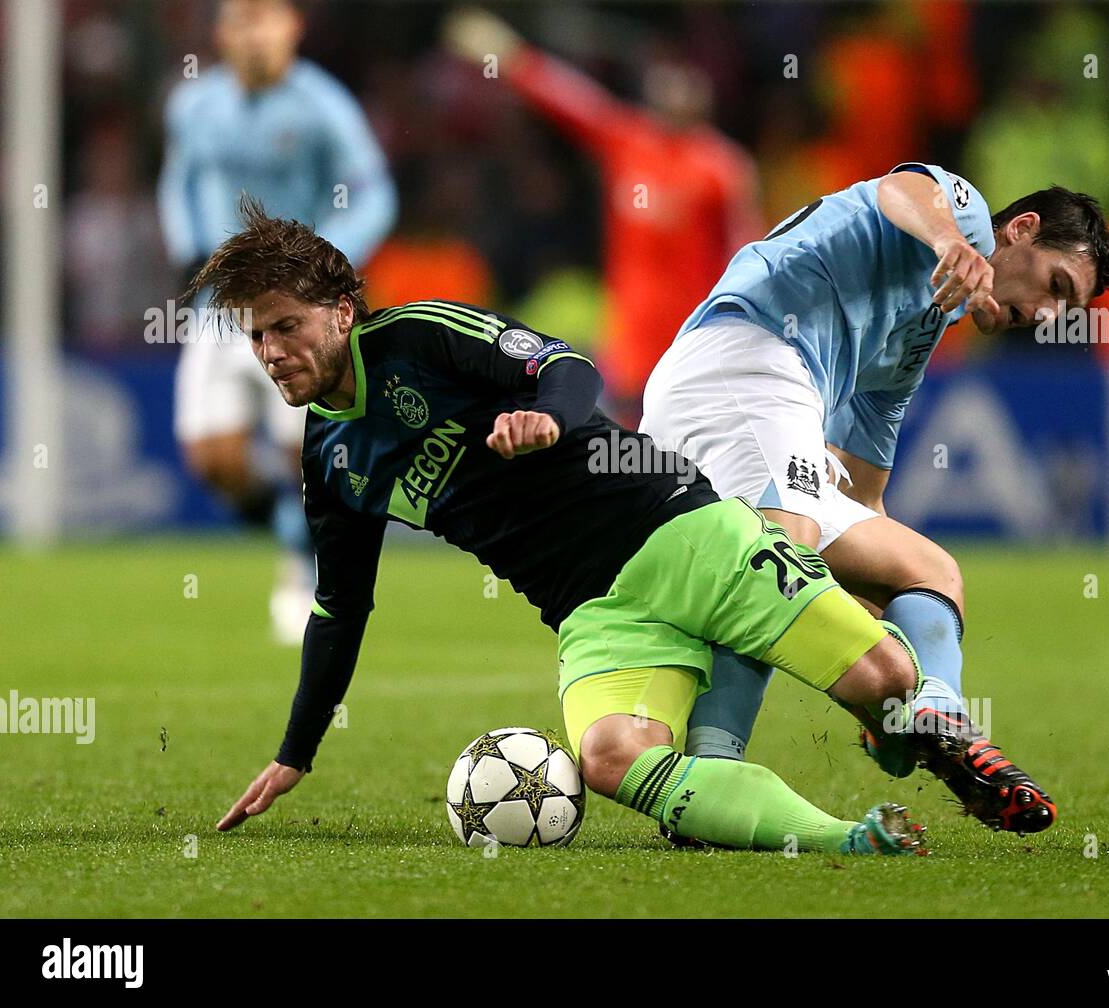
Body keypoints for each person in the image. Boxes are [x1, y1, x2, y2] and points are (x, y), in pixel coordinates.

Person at [197, 199, 952, 855]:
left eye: (285, 327)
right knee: (610, 759)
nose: (271, 353)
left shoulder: (417, 337)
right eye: (257, 337)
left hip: (674, 529)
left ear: (339, 310)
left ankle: (902, 720)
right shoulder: (329, 459)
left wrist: (546, 418)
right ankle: (849, 838)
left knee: (886, 687)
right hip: (591, 610)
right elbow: (341, 608)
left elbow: (568, 368)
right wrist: (297, 752)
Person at [642, 163, 1109, 834]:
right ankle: (715, 770)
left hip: (744, 395)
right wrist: (951, 238)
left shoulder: (912, 334)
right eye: (1054, 286)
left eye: (1063, 311)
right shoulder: (964, 220)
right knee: (783, 554)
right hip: (744, 361)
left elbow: (864, 500)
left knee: (924, 570)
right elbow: (901, 186)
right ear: (1022, 230)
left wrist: (884, 674)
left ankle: (931, 707)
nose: (1044, 315)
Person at [157, 0, 397, 643]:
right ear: (222, 35)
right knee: (214, 461)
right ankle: (298, 530)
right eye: (242, 21)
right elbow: (179, 181)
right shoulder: (194, 107)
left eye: (267, 19)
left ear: (293, 28)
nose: (255, 34)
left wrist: (320, 264)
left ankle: (301, 567)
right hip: (221, 309)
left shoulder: (325, 107)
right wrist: (186, 245)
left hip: (295, 310)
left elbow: (373, 192)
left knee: (304, 456)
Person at [442, 8, 761, 425]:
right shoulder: (627, 141)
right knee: (628, 454)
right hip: (628, 345)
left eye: (688, 78)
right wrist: (508, 55)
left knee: (686, 457)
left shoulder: (722, 169)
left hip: (690, 340)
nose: (676, 88)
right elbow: (572, 102)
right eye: (669, 75)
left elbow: (746, 258)